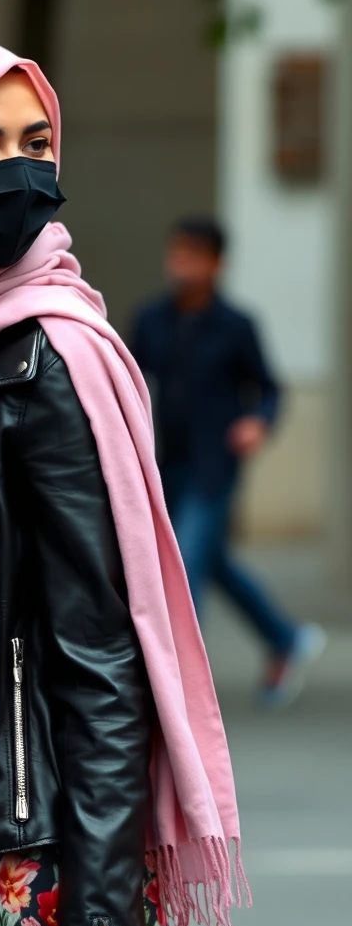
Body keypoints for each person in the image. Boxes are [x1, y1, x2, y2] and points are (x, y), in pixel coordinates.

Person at [0, 37, 248, 926]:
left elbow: (101, 664)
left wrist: (103, 922)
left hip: (17, 864)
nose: (19, 173)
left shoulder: (52, 358)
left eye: (37, 145)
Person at [131, 217, 326, 707]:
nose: (182, 263)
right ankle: (284, 638)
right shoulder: (152, 320)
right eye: (177, 252)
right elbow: (127, 382)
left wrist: (258, 421)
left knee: (188, 566)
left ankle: (178, 692)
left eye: (194, 255)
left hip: (214, 466)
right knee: (212, 562)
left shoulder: (237, 326)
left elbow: (270, 390)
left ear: (217, 263)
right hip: (164, 463)